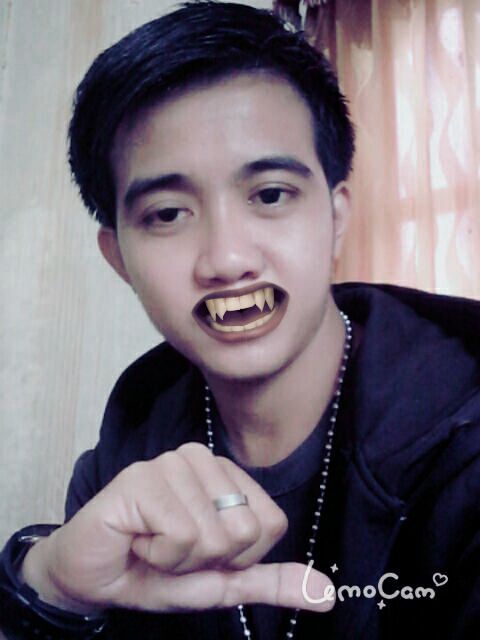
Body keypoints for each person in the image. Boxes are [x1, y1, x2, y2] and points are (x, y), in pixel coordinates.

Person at [0, 2, 478, 638]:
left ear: (336, 217)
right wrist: (49, 584)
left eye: (270, 195)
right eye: (168, 214)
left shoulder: (464, 453)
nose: (226, 259)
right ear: (119, 259)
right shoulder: (120, 470)